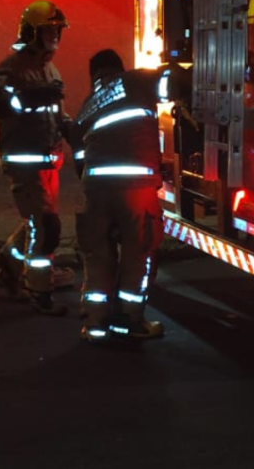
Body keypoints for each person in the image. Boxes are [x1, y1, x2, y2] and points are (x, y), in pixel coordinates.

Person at [72, 48, 165, 343]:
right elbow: (174, 82)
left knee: (97, 257)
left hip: (94, 189)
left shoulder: (87, 104)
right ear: (119, 68)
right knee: (138, 254)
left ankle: (95, 326)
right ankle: (129, 322)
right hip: (135, 187)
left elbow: (79, 159)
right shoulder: (137, 80)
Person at [0, 0, 74, 317]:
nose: (55, 36)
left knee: (37, 223)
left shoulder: (50, 69)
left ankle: (10, 264)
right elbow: (0, 104)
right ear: (31, 32)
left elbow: (56, 113)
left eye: (58, 30)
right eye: (49, 30)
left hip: (48, 161)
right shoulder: (9, 69)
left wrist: (72, 128)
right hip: (23, 161)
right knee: (47, 226)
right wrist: (27, 98)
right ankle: (40, 291)